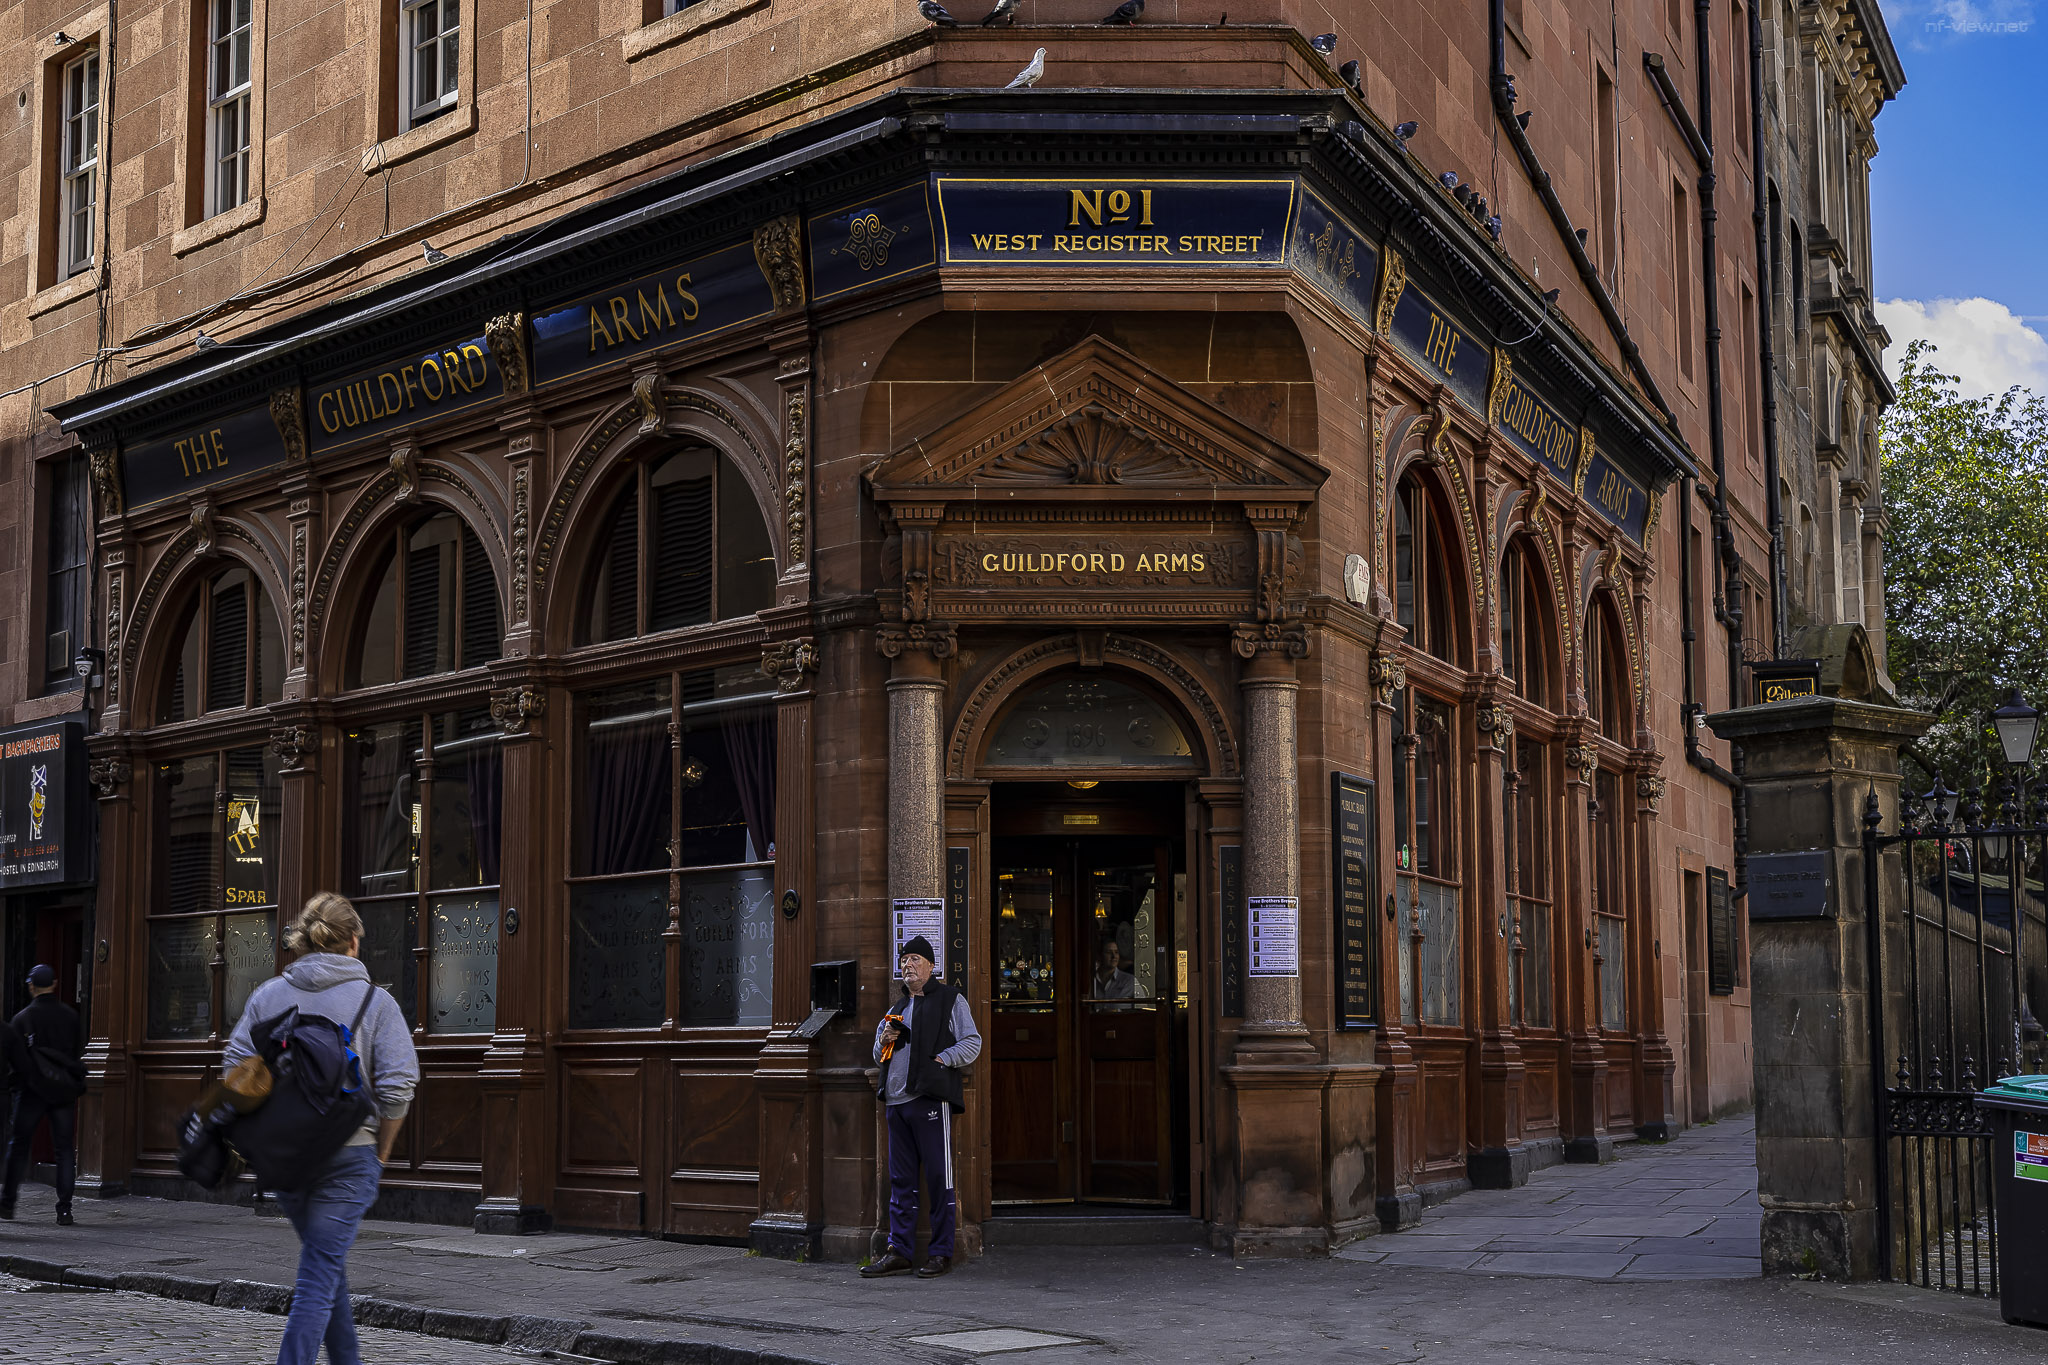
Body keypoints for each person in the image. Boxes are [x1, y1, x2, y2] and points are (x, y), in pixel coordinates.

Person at [225, 893, 418, 1365]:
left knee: (325, 1263)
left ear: (305, 941)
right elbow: (397, 1088)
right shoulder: (376, 1001)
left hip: (287, 1162)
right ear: (353, 942)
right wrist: (382, 1154)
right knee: (319, 1271)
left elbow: (234, 1069)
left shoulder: (269, 995)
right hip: (350, 1157)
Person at [862, 936, 980, 1280]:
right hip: (896, 1102)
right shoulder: (896, 1009)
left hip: (929, 1100)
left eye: (915, 959)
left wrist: (944, 1058)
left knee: (938, 1178)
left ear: (931, 966)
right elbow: (876, 1054)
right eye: (904, 961)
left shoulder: (949, 999)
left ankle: (941, 1253)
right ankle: (899, 1251)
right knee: (900, 1181)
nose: (908, 965)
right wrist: (882, 1041)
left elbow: (972, 1042)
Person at [1, 964, 85, 1225]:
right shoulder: (71, 1016)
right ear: (55, 984)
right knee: (64, 1150)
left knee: (19, 1146)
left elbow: (16, 1061)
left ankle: (8, 1203)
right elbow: (78, 1051)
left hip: (31, 1092)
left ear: (31, 986)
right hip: (62, 1092)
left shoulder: (22, 1018)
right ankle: (64, 1210)